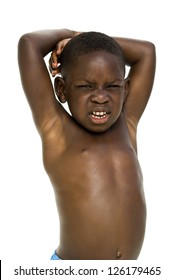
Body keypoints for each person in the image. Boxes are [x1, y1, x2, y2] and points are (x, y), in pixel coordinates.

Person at [18, 29, 156, 260]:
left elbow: (147, 52)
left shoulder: (126, 123)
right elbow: (28, 44)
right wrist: (70, 36)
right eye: (85, 86)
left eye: (112, 86)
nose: (100, 97)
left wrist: (79, 40)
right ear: (62, 90)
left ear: (126, 89)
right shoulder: (56, 130)